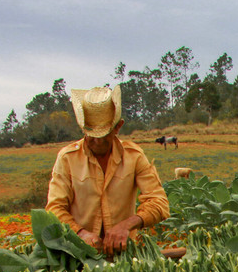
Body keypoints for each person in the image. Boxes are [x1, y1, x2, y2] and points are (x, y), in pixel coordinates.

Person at [45, 86, 169, 256]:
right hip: (79, 255)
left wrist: (127, 225)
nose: (97, 141)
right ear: (82, 127)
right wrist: (80, 233)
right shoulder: (67, 158)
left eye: (103, 136)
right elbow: (54, 208)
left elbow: (159, 202)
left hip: (124, 254)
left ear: (118, 127)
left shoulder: (134, 156)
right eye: (91, 134)